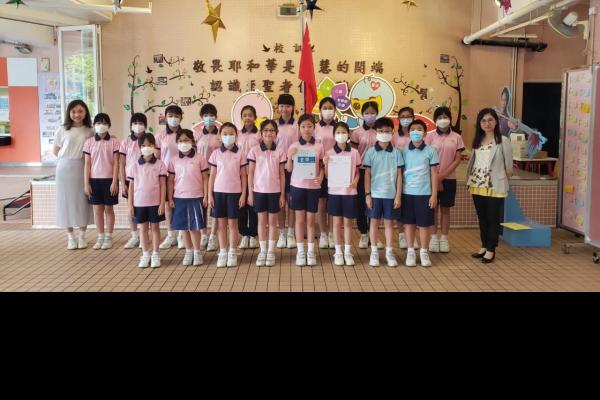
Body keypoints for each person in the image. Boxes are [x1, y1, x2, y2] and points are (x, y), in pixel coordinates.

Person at [467, 108, 513, 264]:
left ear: (496, 122)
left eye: (490, 120)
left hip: (494, 185)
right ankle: (484, 245)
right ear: (479, 123)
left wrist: (503, 179)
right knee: (482, 218)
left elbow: (509, 166)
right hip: (477, 183)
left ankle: (491, 249)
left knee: (493, 218)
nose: (487, 123)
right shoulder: (477, 140)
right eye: (483, 121)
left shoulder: (503, 141)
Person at [52, 100, 94, 250]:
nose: (77, 114)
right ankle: (70, 237)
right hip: (64, 169)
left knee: (83, 201)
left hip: (82, 167)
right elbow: (55, 150)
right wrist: (66, 159)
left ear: (85, 112)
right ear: (69, 113)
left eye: (80, 111)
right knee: (65, 202)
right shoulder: (62, 129)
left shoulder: (90, 130)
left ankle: (82, 236)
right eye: (74, 111)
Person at [363, 117, 404, 267]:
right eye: (381, 131)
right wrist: (367, 194)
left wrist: (398, 195)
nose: (384, 133)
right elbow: (367, 174)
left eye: (387, 131)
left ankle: (389, 252)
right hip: (374, 195)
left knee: (389, 224)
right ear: (376, 132)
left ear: (392, 132)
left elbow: (399, 175)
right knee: (373, 223)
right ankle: (374, 252)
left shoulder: (397, 153)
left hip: (391, 196)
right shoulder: (370, 152)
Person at [286, 114, 325, 267]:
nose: (306, 129)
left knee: (310, 221)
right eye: (303, 126)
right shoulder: (294, 146)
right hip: (297, 187)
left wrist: (321, 177)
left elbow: (322, 166)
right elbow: (289, 169)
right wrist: (289, 157)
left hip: (313, 188)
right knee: (300, 220)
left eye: (309, 126)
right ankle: (300, 251)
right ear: (299, 128)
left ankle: (310, 251)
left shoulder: (319, 146)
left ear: (314, 128)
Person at [425, 106, 465, 253]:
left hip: (449, 179)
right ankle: (433, 238)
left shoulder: (457, 137)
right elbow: (425, 158)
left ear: (450, 119)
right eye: (440, 117)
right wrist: (436, 177)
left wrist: (441, 176)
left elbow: (457, 159)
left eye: (445, 117)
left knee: (445, 210)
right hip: (431, 178)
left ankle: (444, 238)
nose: (443, 120)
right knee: (433, 209)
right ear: (435, 120)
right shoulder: (429, 137)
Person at [247, 120, 287, 267]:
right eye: (266, 130)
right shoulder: (254, 150)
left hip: (274, 192)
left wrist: (282, 195)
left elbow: (282, 174)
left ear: (276, 133)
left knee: (272, 223)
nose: (269, 133)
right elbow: (250, 173)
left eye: (272, 130)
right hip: (259, 192)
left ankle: (271, 251)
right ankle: (262, 251)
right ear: (261, 133)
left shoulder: (280, 151)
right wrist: (250, 193)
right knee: (262, 222)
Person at [167, 129, 209, 267]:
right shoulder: (173, 160)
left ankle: (197, 252)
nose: (183, 143)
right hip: (179, 198)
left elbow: (205, 178)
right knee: (184, 227)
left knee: (195, 227)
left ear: (192, 141)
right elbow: (170, 180)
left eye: (186, 140)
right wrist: (170, 198)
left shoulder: (200, 158)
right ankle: (188, 251)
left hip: (196, 197)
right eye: (180, 141)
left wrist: (206, 195)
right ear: (176, 143)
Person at [208, 123, 248, 268]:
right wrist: (209, 195)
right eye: (225, 133)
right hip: (218, 193)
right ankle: (223, 252)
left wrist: (243, 194)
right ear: (220, 136)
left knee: (233, 225)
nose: (228, 136)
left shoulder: (241, 154)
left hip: (235, 194)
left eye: (231, 133)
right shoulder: (215, 154)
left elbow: (244, 176)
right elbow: (212, 176)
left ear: (236, 135)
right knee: (221, 225)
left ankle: (232, 252)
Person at [401, 119, 439, 267]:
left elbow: (434, 173)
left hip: (425, 194)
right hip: (407, 193)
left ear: (424, 133)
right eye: (413, 129)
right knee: (409, 224)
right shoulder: (403, 151)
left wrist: (434, 194)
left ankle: (424, 252)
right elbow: (399, 173)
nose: (415, 132)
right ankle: (410, 251)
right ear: (409, 133)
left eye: (419, 129)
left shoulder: (431, 151)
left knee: (424, 225)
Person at [127, 133, 167, 269]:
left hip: (155, 203)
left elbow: (163, 185)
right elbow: (131, 186)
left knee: (155, 228)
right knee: (143, 229)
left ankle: (155, 254)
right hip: (139, 203)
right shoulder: (134, 165)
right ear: (139, 147)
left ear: (154, 146)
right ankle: (145, 254)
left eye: (149, 145)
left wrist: (162, 203)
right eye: (143, 145)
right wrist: (130, 205)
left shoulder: (160, 164)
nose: (146, 147)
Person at [323, 122, 361, 266]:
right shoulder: (329, 153)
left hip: (349, 192)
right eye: (338, 132)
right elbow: (327, 176)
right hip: (334, 192)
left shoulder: (354, 152)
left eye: (343, 132)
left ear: (348, 134)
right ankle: (338, 252)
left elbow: (357, 172)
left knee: (348, 223)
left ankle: (348, 252)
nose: (341, 135)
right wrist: (325, 164)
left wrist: (355, 181)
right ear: (334, 135)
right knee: (337, 223)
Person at [83, 113, 120, 250]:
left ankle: (109, 237)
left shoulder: (114, 142)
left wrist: (115, 181)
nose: (101, 125)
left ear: (109, 125)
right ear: (94, 125)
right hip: (94, 180)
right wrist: (86, 183)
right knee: (97, 210)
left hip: (109, 180)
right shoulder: (89, 142)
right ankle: (100, 236)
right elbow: (87, 164)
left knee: (109, 209)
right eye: (98, 123)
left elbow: (116, 163)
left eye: (104, 123)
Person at [350, 101, 383, 249]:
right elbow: (353, 154)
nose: (370, 115)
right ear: (362, 114)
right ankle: (363, 233)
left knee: (376, 202)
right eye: (367, 113)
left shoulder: (381, 132)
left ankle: (374, 234)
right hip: (362, 171)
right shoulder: (357, 133)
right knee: (361, 203)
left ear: (377, 114)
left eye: (373, 113)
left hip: (378, 172)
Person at [156, 105, 185, 250]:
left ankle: (181, 235)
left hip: (183, 175)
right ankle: (170, 234)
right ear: (166, 117)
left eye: (176, 116)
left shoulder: (185, 135)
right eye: (170, 115)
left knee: (180, 204)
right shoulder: (160, 136)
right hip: (166, 175)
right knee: (168, 205)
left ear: (181, 117)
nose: (173, 118)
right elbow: (157, 157)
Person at [195, 103, 222, 252]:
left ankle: (213, 236)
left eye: (211, 115)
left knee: (215, 205)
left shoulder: (221, 135)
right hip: (200, 175)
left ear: (216, 117)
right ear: (202, 117)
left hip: (217, 175)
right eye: (206, 115)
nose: (209, 118)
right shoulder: (197, 135)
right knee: (202, 204)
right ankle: (203, 234)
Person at [275, 94, 299, 249]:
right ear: (278, 108)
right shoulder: (273, 125)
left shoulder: (298, 125)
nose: (284, 109)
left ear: (292, 108)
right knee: (280, 201)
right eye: (282, 106)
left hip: (294, 168)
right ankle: (282, 233)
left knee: (291, 201)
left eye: (288, 106)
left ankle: (291, 233)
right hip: (277, 168)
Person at [119, 112, 147, 249]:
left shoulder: (149, 141)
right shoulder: (126, 142)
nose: (138, 126)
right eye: (135, 123)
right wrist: (122, 183)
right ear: (131, 125)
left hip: (146, 180)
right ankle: (134, 236)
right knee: (131, 208)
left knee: (145, 208)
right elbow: (122, 163)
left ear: (145, 125)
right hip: (129, 180)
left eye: (140, 123)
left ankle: (144, 236)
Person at [236, 105, 261, 251]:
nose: (247, 118)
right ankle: (244, 234)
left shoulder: (259, 135)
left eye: (250, 115)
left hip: (255, 174)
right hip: (238, 174)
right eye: (244, 115)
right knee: (241, 204)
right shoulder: (237, 134)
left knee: (253, 204)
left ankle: (253, 235)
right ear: (241, 118)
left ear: (255, 117)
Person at [314, 97, 337, 249]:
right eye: (325, 108)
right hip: (319, 169)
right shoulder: (315, 127)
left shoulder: (339, 127)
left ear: (335, 110)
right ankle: (323, 233)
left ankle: (332, 234)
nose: (328, 111)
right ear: (320, 110)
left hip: (336, 170)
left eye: (330, 108)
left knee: (333, 203)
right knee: (321, 203)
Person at [394, 106, 415, 249]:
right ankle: (402, 235)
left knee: (411, 207)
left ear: (413, 118)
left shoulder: (418, 135)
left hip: (414, 177)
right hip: (398, 175)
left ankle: (411, 236)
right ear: (399, 119)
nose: (406, 119)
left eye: (408, 116)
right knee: (399, 205)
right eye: (403, 117)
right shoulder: (395, 136)